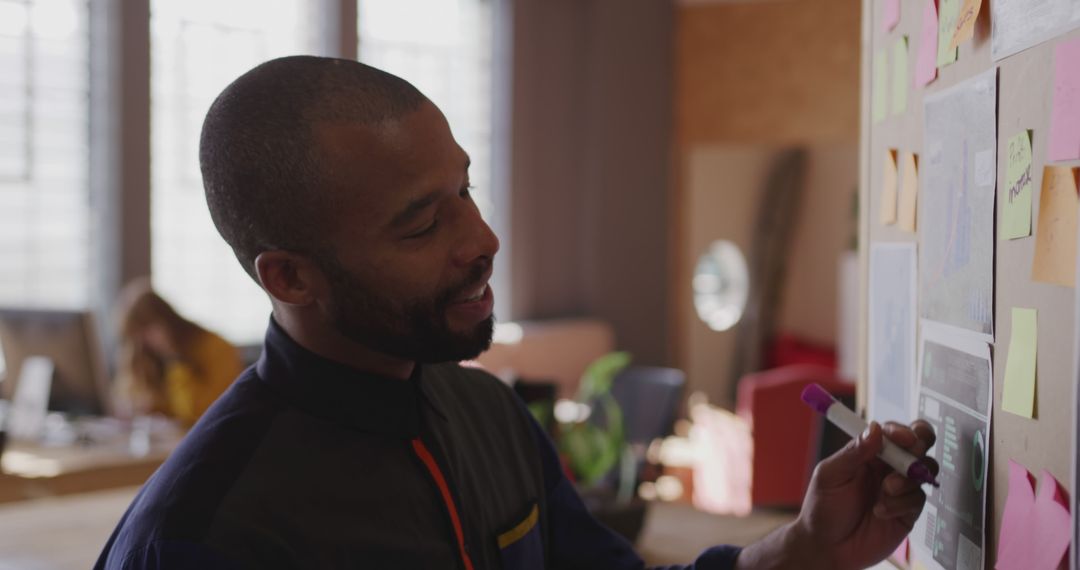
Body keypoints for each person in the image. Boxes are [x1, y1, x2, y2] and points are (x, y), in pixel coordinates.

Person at [95, 56, 937, 570]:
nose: (484, 237)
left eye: (465, 189)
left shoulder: (487, 411)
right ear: (288, 277)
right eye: (424, 222)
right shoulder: (203, 535)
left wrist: (803, 551)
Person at [112, 279, 243, 427]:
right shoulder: (146, 354)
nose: (143, 343)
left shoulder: (216, 347)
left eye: (146, 331)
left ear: (166, 321)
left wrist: (174, 357)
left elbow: (197, 412)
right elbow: (128, 399)